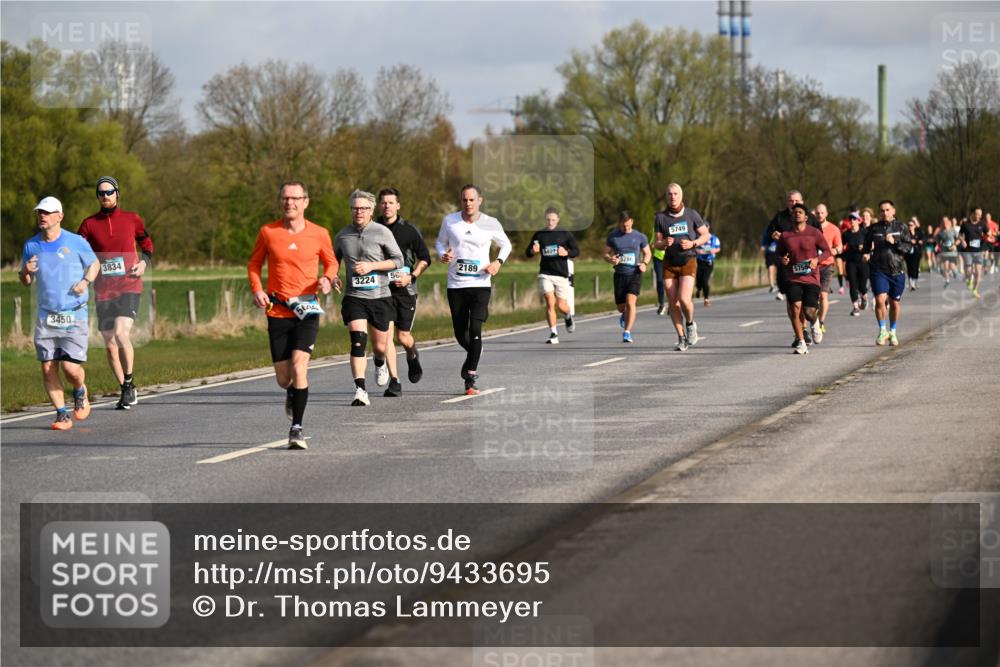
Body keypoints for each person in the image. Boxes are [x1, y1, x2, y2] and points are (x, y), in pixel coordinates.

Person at [248, 181, 337, 449]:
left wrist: (327, 278)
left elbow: (331, 262)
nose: (290, 203)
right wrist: (257, 289)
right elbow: (254, 264)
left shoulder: (319, 233)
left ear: (305, 202)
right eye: (285, 198)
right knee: (283, 378)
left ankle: (296, 429)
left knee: (300, 368)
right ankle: (291, 391)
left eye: (295, 198)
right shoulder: (268, 232)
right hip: (277, 310)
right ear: (280, 202)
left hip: (307, 309)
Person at [20, 197, 100, 430]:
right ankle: (62, 414)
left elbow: (94, 264)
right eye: (39, 212)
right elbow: (26, 281)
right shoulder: (31, 245)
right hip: (46, 315)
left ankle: (79, 390)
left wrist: (85, 282)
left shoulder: (76, 241)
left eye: (46, 212)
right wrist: (25, 270)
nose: (42, 216)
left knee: (71, 369)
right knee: (47, 366)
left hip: (74, 313)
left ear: (60, 216)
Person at [78, 176, 153, 410]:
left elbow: (147, 244)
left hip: (129, 286)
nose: (106, 196)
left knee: (121, 333)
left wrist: (143, 263)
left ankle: (129, 382)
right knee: (110, 345)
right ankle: (125, 388)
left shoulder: (132, 219)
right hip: (103, 291)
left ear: (117, 194)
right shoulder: (89, 224)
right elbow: (77, 252)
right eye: (101, 193)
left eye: (109, 192)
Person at [435, 184, 512, 395]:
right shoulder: (450, 221)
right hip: (456, 285)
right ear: (461, 201)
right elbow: (440, 243)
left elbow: (506, 245)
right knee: (461, 333)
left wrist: (497, 262)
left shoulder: (490, 223)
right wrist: (443, 254)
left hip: (480, 284)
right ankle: (474, 352)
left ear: (480, 200)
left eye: (472, 200)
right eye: (464, 200)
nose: (468, 203)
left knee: (475, 329)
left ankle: (470, 377)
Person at [334, 190, 404, 406]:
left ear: (371, 210)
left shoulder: (382, 232)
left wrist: (372, 266)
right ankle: (360, 390)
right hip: (354, 297)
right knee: (357, 341)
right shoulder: (342, 235)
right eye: (355, 208)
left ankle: (380, 361)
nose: (359, 212)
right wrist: (333, 276)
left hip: (380, 296)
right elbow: (332, 260)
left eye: (363, 208)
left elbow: (398, 260)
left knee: (381, 346)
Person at [375, 188, 430, 396]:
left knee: (402, 337)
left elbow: (425, 258)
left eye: (391, 202)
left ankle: (412, 355)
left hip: (405, 291)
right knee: (386, 336)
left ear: (398, 206)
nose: (387, 206)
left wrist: (411, 277)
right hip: (382, 291)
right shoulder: (373, 229)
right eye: (384, 202)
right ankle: (395, 381)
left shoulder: (409, 230)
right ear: (379, 205)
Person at [654, 183, 710, 351]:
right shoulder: (660, 217)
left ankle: (690, 324)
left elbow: (705, 235)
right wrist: (664, 243)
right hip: (669, 263)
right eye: (670, 194)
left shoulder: (691, 214)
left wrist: (693, 243)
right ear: (666, 196)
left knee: (684, 299)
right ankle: (681, 338)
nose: (673, 197)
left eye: (676, 193)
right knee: (673, 302)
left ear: (681, 195)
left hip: (688, 260)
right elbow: (657, 243)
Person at [776, 203, 831, 354]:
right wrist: (782, 259)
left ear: (806, 217)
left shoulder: (814, 233)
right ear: (791, 217)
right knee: (795, 308)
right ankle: (801, 342)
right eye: (794, 212)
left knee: (809, 311)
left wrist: (817, 260)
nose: (797, 214)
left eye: (800, 212)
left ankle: (815, 322)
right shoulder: (785, 235)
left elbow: (827, 251)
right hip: (793, 277)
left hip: (811, 277)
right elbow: (779, 253)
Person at [526, 207, 580, 344]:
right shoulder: (540, 234)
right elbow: (527, 252)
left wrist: (566, 252)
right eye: (549, 220)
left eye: (553, 220)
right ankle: (553, 333)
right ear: (545, 219)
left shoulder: (565, 234)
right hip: (545, 273)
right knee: (550, 302)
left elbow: (576, 251)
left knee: (561, 305)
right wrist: (532, 251)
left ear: (558, 220)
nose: (551, 222)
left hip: (561, 274)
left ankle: (567, 315)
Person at [864, 200, 912, 346]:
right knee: (880, 300)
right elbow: (866, 245)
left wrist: (894, 242)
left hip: (897, 270)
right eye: (882, 210)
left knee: (894, 303)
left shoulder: (901, 227)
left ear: (893, 211)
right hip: (878, 269)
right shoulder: (874, 228)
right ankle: (882, 330)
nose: (884, 213)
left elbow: (908, 247)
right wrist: (865, 253)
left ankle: (893, 331)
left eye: (887, 210)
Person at [763, 190, 821, 301]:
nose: (794, 203)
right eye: (791, 201)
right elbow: (770, 231)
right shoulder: (780, 217)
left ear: (802, 202)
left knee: (807, 297)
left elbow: (820, 236)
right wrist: (773, 234)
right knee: (792, 297)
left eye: (796, 201)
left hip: (806, 260)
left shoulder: (810, 218)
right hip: (787, 261)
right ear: (787, 202)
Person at [605, 210, 650, 343]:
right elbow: (605, 254)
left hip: (634, 273)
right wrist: (611, 259)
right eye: (623, 225)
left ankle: (627, 332)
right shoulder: (613, 236)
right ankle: (624, 313)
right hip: (620, 274)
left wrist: (644, 263)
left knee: (631, 303)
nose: (626, 227)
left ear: (632, 222)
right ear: (619, 223)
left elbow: (647, 253)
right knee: (621, 307)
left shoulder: (640, 236)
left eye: (628, 224)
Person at [814, 203, 842, 340]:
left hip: (827, 265)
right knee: (812, 297)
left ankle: (821, 322)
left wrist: (835, 250)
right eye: (818, 213)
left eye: (822, 213)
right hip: (812, 266)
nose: (820, 215)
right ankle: (813, 320)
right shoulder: (810, 229)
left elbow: (840, 246)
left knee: (823, 295)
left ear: (826, 214)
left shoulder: (833, 229)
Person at [841, 212, 868, 316]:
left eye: (854, 219)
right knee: (853, 285)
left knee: (862, 286)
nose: (852, 220)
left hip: (863, 262)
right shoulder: (846, 234)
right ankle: (856, 307)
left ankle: (864, 296)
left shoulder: (864, 232)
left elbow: (871, 245)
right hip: (851, 262)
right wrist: (843, 248)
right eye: (850, 219)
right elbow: (841, 247)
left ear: (858, 220)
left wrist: (864, 248)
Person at [959, 207, 987, 298]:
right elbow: (960, 235)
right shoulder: (965, 224)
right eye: (978, 214)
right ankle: (969, 279)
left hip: (979, 251)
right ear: (973, 214)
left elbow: (988, 233)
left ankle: (975, 290)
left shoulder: (982, 224)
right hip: (968, 251)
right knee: (969, 270)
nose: (980, 216)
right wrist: (962, 241)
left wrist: (990, 236)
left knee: (978, 272)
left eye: (981, 214)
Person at [694, 221, 721, 307]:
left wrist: (713, 251)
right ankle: (698, 289)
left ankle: (706, 299)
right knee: (699, 279)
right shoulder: (698, 238)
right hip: (699, 261)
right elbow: (694, 247)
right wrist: (698, 251)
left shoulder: (714, 238)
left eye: (706, 227)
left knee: (705, 280)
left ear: (708, 228)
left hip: (709, 262)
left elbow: (718, 248)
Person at [935, 217, 960, 288]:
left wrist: (954, 245)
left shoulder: (953, 231)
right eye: (943, 223)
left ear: (949, 223)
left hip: (952, 252)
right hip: (945, 252)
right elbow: (937, 240)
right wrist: (938, 245)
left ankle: (955, 273)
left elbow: (959, 240)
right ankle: (947, 281)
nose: (945, 224)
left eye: (946, 222)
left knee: (952, 266)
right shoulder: (941, 232)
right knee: (945, 267)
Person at [905, 217, 924, 290]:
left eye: (911, 225)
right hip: (908, 252)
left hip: (917, 252)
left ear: (914, 226)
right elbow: (903, 240)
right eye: (908, 225)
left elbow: (922, 239)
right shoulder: (906, 233)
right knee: (909, 267)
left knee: (916, 267)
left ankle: (915, 281)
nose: (910, 226)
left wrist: (919, 241)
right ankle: (911, 283)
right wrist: (910, 241)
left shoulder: (918, 232)